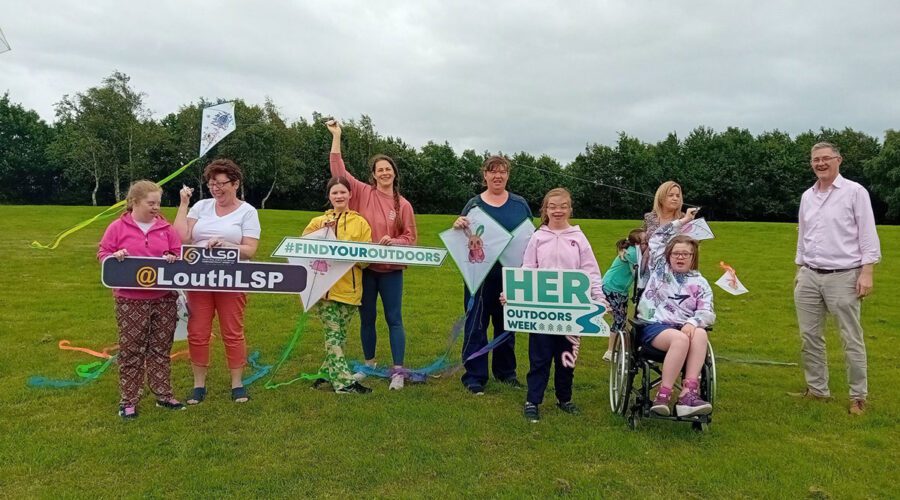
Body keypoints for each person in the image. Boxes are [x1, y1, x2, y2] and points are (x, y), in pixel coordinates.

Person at [326, 120, 417, 391]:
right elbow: (338, 170)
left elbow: (410, 240)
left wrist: (395, 241)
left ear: (394, 174)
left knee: (394, 318)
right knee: (367, 318)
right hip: (365, 269)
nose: (385, 173)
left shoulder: (405, 205)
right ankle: (370, 364)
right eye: (380, 170)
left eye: (388, 169)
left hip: (391, 271)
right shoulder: (363, 193)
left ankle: (398, 371)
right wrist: (337, 136)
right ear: (374, 175)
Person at [792, 141, 881, 416]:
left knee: (850, 337)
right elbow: (803, 234)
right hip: (810, 274)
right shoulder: (808, 195)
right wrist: (800, 268)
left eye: (826, 158)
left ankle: (858, 396)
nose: (820, 163)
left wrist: (867, 271)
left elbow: (867, 233)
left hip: (844, 275)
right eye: (816, 159)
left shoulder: (855, 192)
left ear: (838, 160)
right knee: (810, 336)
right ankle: (818, 390)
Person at [174, 159, 261, 404]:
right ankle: (198, 385)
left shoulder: (248, 211)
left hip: (232, 279)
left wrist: (228, 246)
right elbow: (182, 239)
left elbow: (251, 250)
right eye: (212, 184)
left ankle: (237, 384)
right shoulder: (201, 207)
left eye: (221, 184)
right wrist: (183, 204)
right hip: (199, 279)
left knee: (232, 332)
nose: (216, 189)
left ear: (235, 184)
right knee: (198, 332)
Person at [98, 180, 184, 419]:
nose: (156, 207)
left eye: (158, 202)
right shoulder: (117, 227)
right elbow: (103, 253)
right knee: (131, 350)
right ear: (135, 202)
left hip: (164, 298)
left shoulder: (166, 229)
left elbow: (178, 254)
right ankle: (128, 400)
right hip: (130, 299)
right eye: (151, 203)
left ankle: (163, 395)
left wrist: (171, 257)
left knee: (160, 348)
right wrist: (115, 256)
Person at [517, 188, 605, 422]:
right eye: (552, 206)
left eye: (563, 206)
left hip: (572, 310)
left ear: (570, 209)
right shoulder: (538, 237)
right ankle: (532, 401)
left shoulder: (578, 237)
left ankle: (564, 398)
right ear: (545, 209)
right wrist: (514, 294)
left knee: (567, 357)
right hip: (542, 310)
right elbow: (528, 269)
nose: (558, 210)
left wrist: (599, 298)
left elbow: (590, 270)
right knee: (539, 357)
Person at [453, 155, 533, 395]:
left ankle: (506, 372)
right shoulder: (474, 205)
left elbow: (531, 238)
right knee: (476, 324)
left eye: (502, 171)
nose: (497, 175)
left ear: (508, 175)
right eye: (492, 171)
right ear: (485, 175)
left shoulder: (520, 204)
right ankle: (474, 376)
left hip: (509, 275)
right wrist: (458, 225)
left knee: (507, 323)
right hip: (479, 276)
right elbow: (463, 238)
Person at [636, 207, 715, 417]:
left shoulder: (700, 282)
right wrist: (683, 221)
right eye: (676, 253)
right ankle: (663, 394)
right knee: (680, 339)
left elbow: (707, 311)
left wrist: (693, 322)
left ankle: (688, 395)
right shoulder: (661, 269)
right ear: (669, 255)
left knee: (700, 333)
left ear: (693, 257)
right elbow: (657, 238)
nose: (680, 258)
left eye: (685, 254)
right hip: (656, 326)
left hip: (685, 327)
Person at [305, 177, 374, 394]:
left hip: (350, 290)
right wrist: (323, 234)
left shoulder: (360, 223)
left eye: (343, 192)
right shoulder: (317, 222)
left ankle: (325, 374)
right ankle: (344, 383)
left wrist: (349, 252)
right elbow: (302, 251)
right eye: (334, 193)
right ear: (329, 196)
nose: (339, 196)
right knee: (333, 335)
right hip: (323, 290)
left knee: (340, 336)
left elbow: (366, 260)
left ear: (350, 194)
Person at [601, 228, 646, 362]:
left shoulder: (633, 252)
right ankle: (610, 352)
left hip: (619, 289)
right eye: (645, 241)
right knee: (619, 320)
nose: (648, 244)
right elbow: (636, 275)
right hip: (613, 288)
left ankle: (620, 347)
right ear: (637, 244)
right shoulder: (632, 253)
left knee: (621, 319)